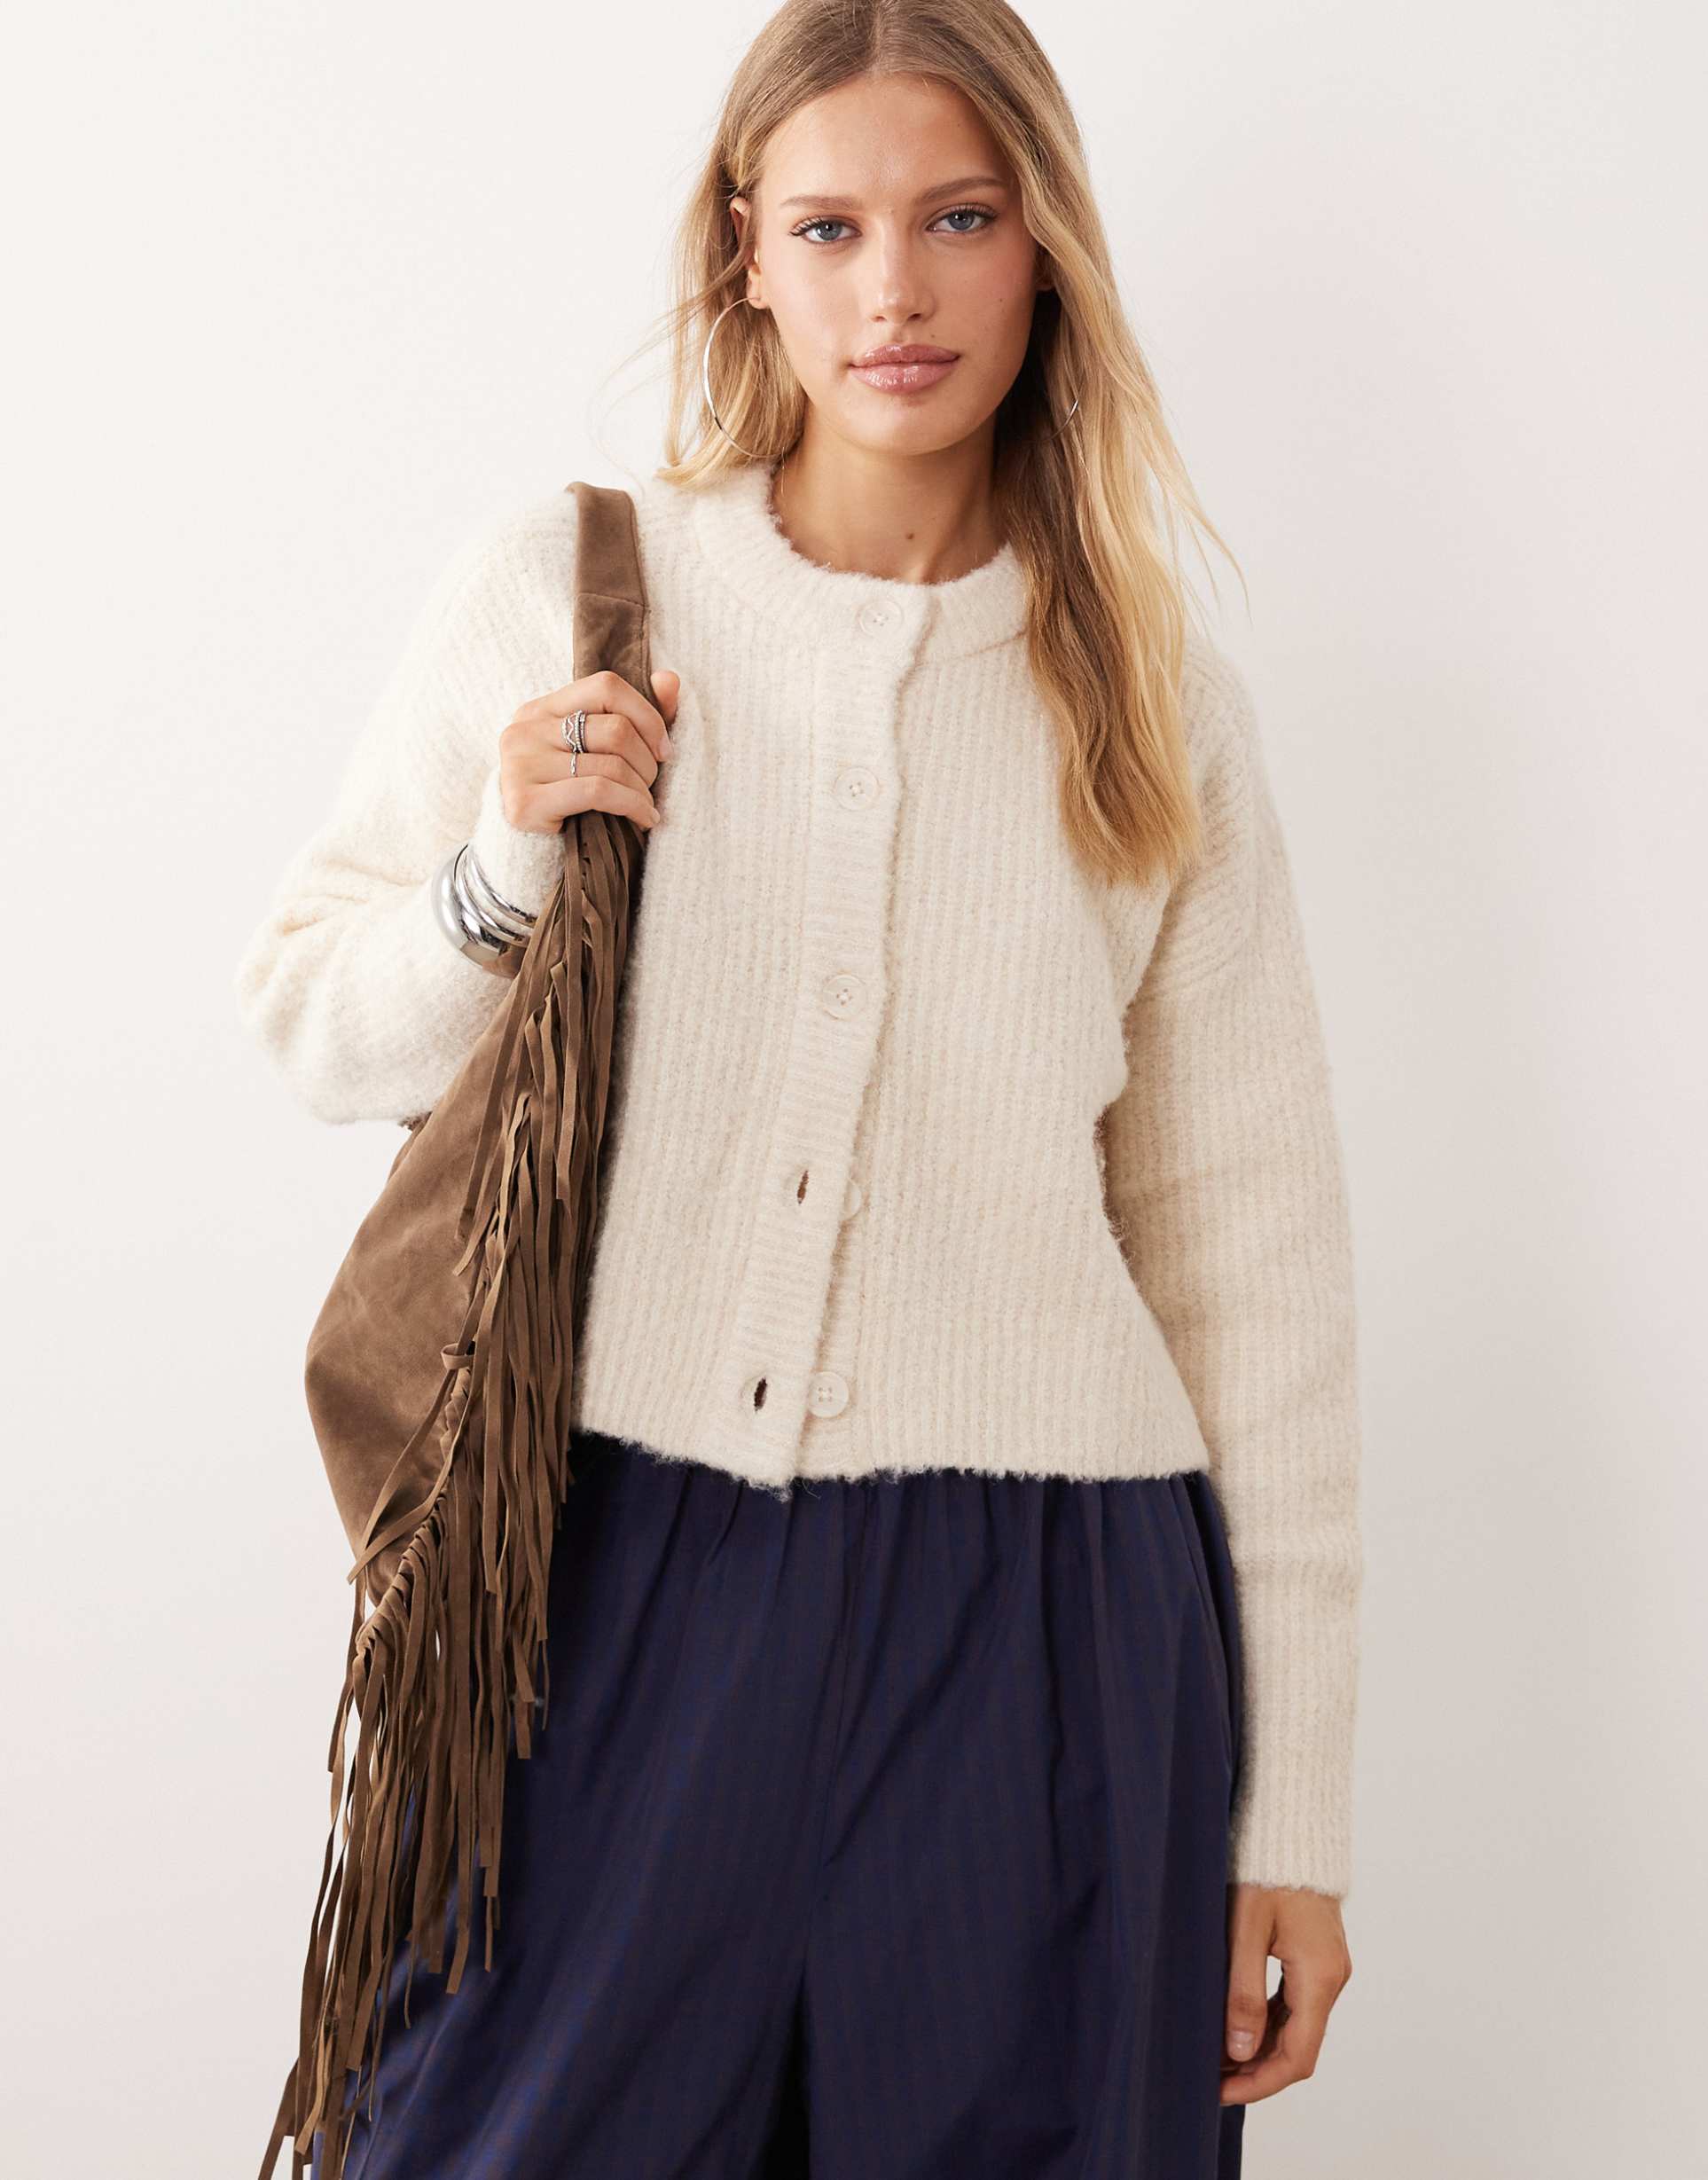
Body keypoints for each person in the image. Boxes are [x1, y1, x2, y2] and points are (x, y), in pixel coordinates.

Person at [236, 4, 1361, 2173]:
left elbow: (1255, 1265)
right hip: (608, 1583)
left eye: (960, 219)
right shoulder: (572, 596)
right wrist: (502, 867)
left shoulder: (1153, 699)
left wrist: (1288, 1817)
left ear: (1045, 248)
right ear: (743, 250)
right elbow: (310, 1022)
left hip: (1050, 1618)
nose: (894, 291)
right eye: (829, 226)